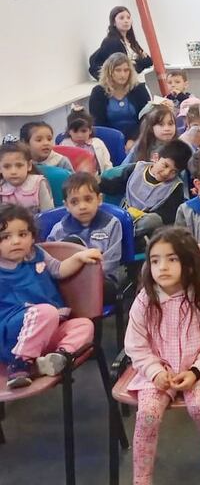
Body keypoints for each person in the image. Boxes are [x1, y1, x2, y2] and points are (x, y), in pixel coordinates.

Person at [124, 227, 200, 485]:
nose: (162, 267)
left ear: (189, 264)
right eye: (155, 260)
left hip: (199, 368)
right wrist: (155, 372)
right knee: (147, 415)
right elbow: (136, 346)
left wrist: (196, 371)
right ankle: (141, 479)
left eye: (172, 259)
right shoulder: (144, 301)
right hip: (157, 372)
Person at [1, 204, 100, 388]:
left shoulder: (36, 254)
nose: (16, 241)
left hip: (48, 330)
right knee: (46, 312)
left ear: (32, 236)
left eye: (22, 235)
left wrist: (78, 257)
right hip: (14, 334)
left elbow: (59, 269)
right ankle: (20, 361)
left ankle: (56, 359)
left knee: (84, 325)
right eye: (6, 237)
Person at [47, 172, 124, 305]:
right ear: (66, 205)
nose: (82, 206)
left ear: (99, 199)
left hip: (102, 280)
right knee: (71, 243)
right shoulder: (59, 229)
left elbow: (112, 261)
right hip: (68, 278)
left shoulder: (112, 223)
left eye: (88, 199)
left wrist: (88, 275)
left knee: (104, 290)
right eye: (74, 202)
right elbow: (50, 261)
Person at [99, 140, 193, 239]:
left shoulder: (176, 186)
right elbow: (114, 185)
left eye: (174, 171)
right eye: (165, 165)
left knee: (153, 220)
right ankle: (113, 232)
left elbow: (168, 217)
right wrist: (96, 181)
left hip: (146, 230)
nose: (166, 173)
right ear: (155, 158)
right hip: (124, 215)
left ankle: (123, 236)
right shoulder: (136, 169)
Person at [89, 53, 152, 144]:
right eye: (118, 70)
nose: (123, 75)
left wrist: (134, 139)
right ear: (109, 72)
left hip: (138, 139)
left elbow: (146, 118)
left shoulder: (139, 89)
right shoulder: (98, 92)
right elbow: (98, 124)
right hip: (110, 141)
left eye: (126, 70)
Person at [88, 5, 154, 80]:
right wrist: (138, 62)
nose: (126, 21)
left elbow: (149, 61)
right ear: (114, 22)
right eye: (121, 18)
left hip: (132, 80)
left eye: (128, 18)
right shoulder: (112, 42)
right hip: (114, 81)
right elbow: (124, 69)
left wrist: (135, 63)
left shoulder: (131, 41)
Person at [0, 141, 54, 215]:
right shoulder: (1, 187)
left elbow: (48, 214)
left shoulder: (38, 183)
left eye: (19, 165)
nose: (13, 171)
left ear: (29, 165)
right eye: (7, 166)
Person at [61, 107, 112, 172]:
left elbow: (107, 166)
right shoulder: (64, 145)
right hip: (74, 180)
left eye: (83, 131)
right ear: (69, 131)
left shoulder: (98, 143)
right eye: (75, 131)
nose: (80, 135)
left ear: (90, 130)